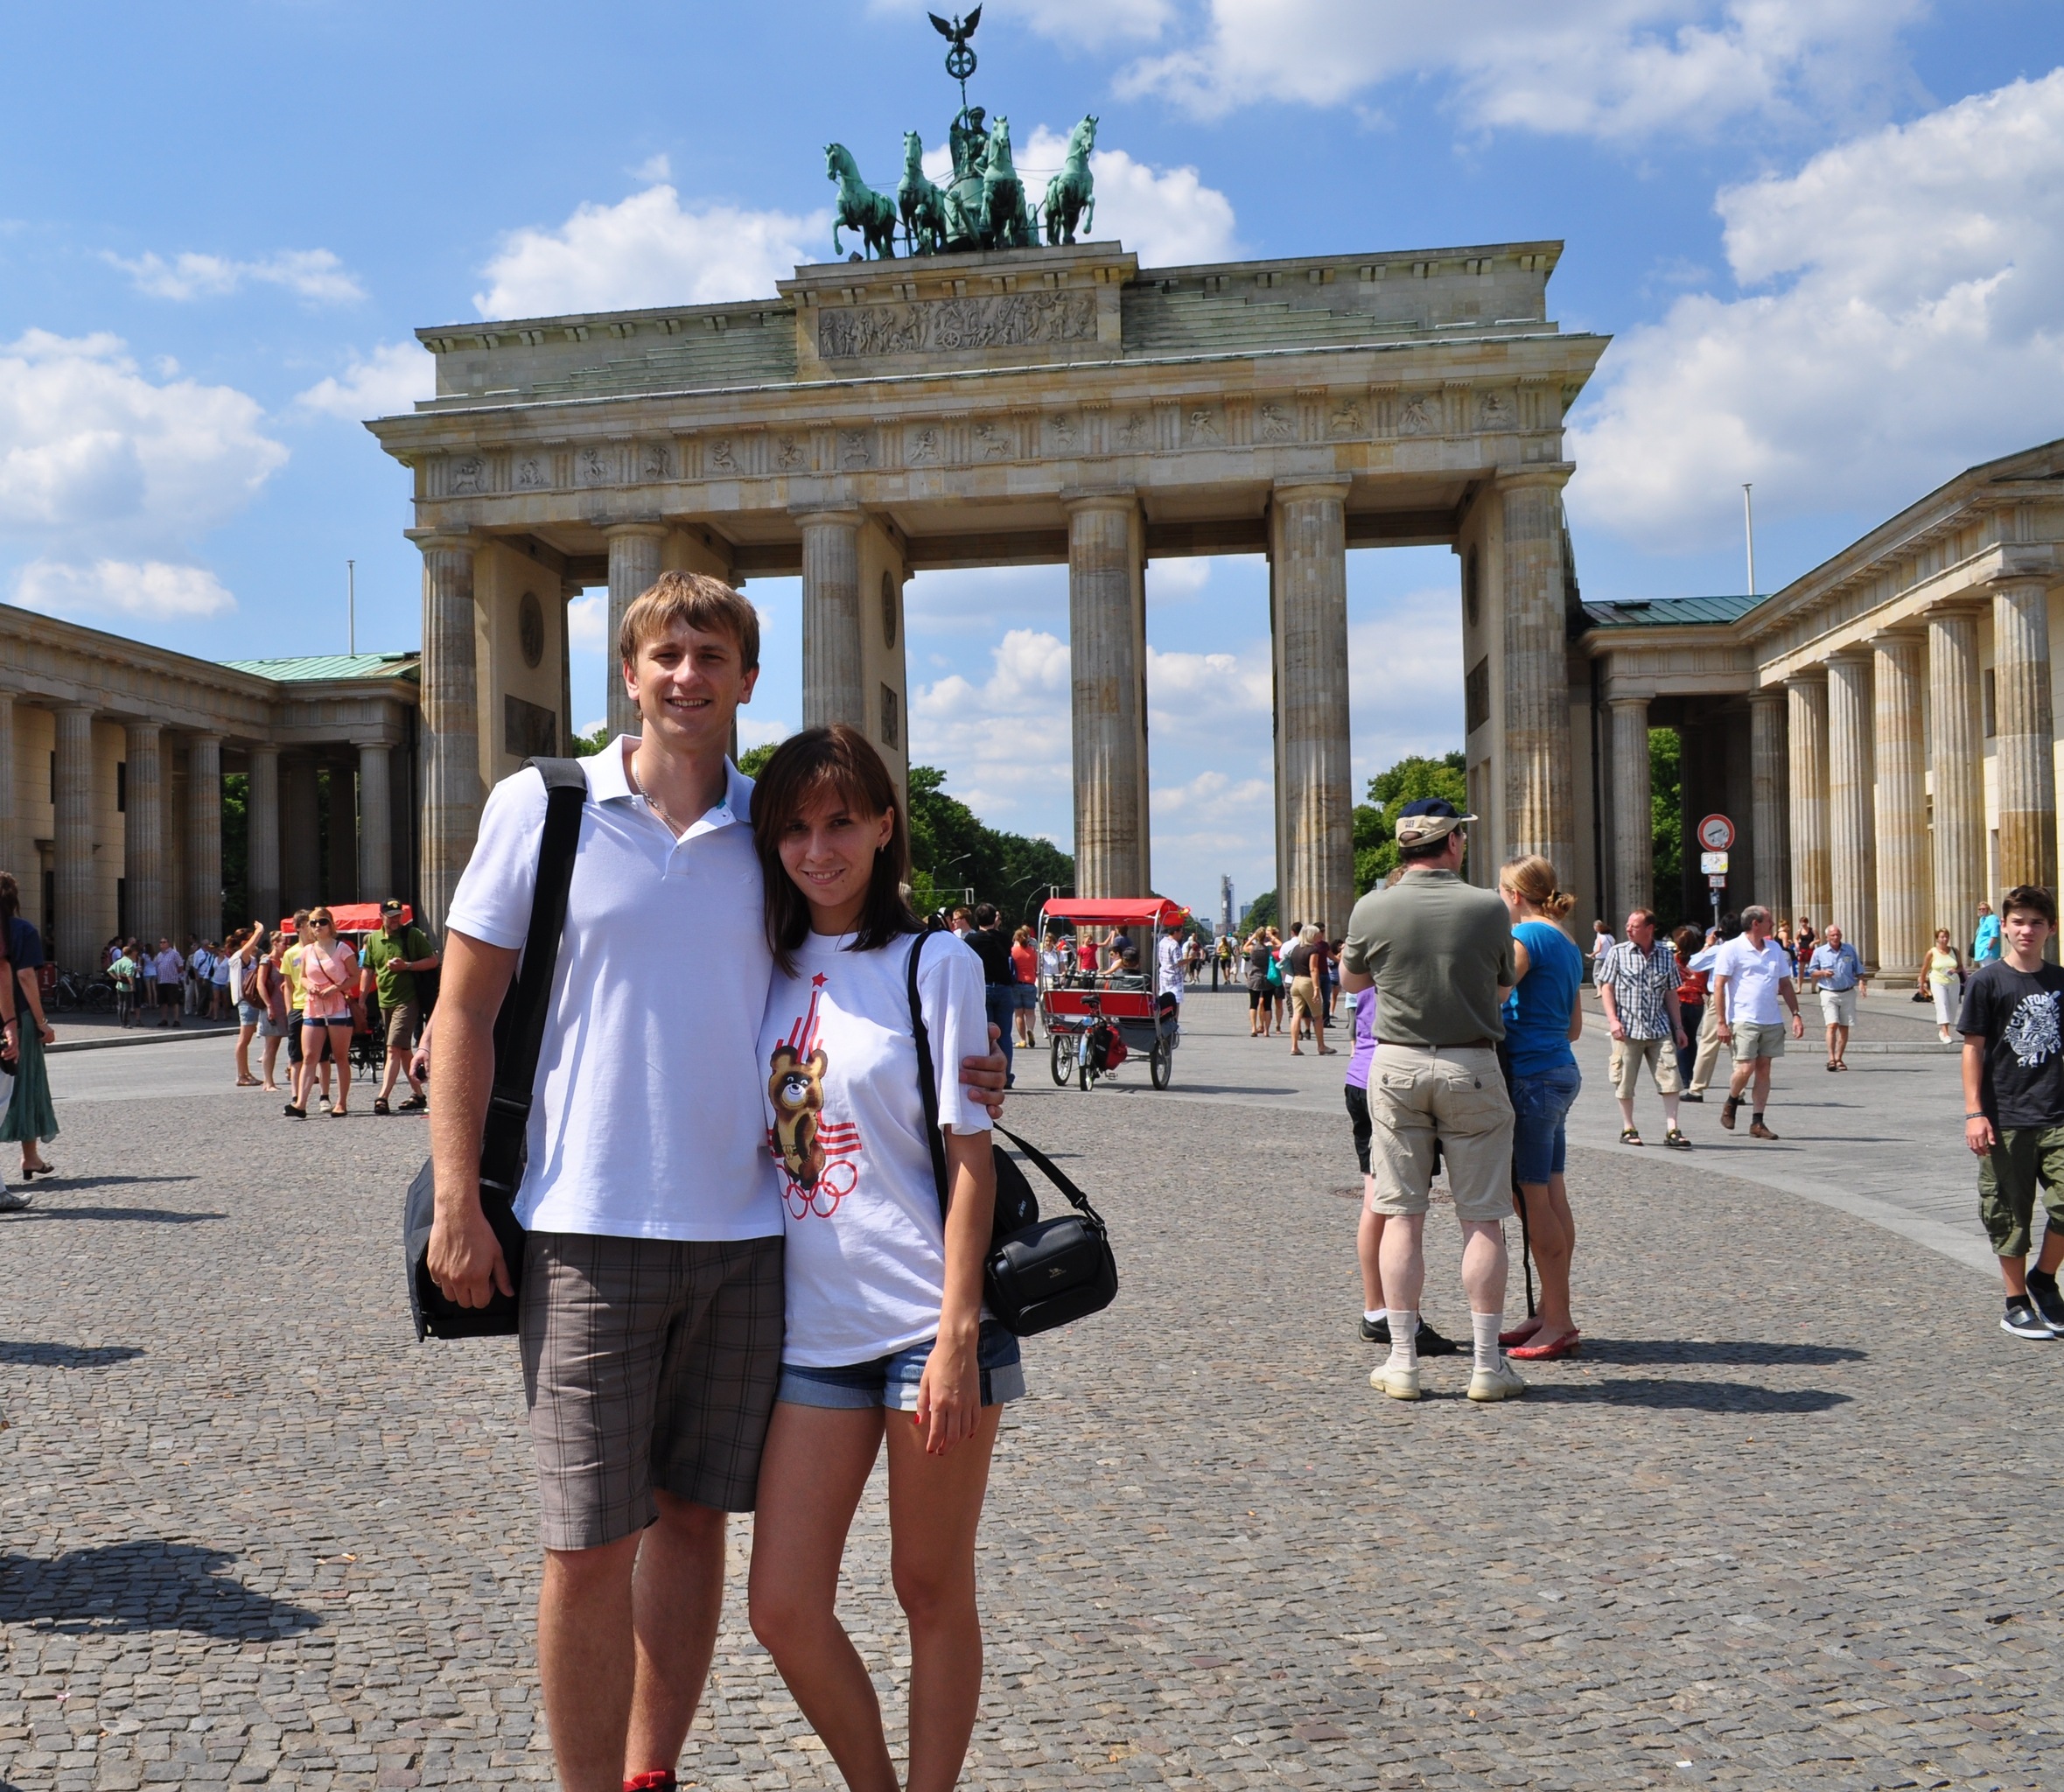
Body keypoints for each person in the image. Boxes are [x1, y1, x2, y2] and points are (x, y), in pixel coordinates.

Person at [424, 571, 1005, 1792]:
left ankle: (653, 1773)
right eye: (665, 655)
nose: (686, 676)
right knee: (586, 1543)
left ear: (747, 678)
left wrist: (962, 1058)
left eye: (710, 656)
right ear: (628, 673)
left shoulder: (771, 827)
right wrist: (455, 1195)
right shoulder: (545, 806)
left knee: (692, 1521)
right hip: (585, 1222)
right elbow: (463, 1008)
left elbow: (857, 992)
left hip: (750, 1248)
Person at [744, 724, 1013, 1792]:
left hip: (922, 1325)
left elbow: (970, 1160)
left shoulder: (933, 962)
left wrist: (956, 1336)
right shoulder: (756, 964)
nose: (818, 848)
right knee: (781, 1605)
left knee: (929, 1587)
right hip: (811, 1331)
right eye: (795, 827)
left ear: (884, 827)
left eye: (841, 822)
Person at [1340, 797, 1525, 1403]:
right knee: (1482, 1217)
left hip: (1394, 1064)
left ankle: (1402, 1362)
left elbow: (1352, 981)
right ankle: (1486, 1366)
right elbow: (1503, 984)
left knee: (1401, 1214)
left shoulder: (1372, 906)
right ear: (1452, 843)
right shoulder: (1487, 906)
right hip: (1470, 1063)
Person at [1347, 871, 1458, 1361]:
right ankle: (1394, 1315)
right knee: (1398, 1205)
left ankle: (1378, 1308)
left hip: (1361, 1074)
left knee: (1378, 1197)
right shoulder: (1412, 948)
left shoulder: (1374, 943)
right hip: (1393, 1076)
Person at [1956, 885, 2064, 1340]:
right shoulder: (1987, 981)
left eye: (2036, 922)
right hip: (2005, 1117)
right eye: (2018, 922)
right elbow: (1972, 1049)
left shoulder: (2060, 980)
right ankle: (2016, 1302)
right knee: (2008, 1213)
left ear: (2051, 929)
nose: (2027, 930)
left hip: (2057, 1112)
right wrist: (1974, 1113)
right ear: (2003, 926)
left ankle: (2044, 1278)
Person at [1497, 856, 1585, 1361]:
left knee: (1532, 1201)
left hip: (1530, 1075)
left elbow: (1494, 995)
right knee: (1552, 1194)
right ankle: (1550, 1309)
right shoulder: (1567, 941)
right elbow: (1574, 1027)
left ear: (1514, 894)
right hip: (1560, 1069)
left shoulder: (1526, 937)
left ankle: (1558, 1322)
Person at [1595, 908, 1691, 1149]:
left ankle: (1673, 1129)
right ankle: (1628, 1127)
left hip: (1659, 1028)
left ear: (1649, 929)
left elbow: (1671, 992)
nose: (1628, 929)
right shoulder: (1618, 953)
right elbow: (1607, 987)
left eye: (1634, 926)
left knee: (1670, 1079)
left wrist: (1678, 1027)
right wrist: (1613, 1020)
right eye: (1628, 925)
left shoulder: (1666, 956)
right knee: (1624, 1081)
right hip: (1627, 1029)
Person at [1711, 904, 1807, 1139]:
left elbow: (1785, 984)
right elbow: (1719, 985)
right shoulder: (1732, 948)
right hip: (1743, 1018)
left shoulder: (1774, 948)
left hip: (1771, 1019)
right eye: (1769, 920)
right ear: (1755, 924)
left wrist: (1796, 1014)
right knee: (1745, 1068)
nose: (1773, 924)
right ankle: (1732, 1100)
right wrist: (1721, 1022)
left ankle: (1757, 1121)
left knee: (1764, 1070)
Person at [360, 898, 439, 1115]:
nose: (396, 920)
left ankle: (382, 1097)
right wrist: (362, 1000)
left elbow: (432, 961)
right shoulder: (373, 939)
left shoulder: (413, 935)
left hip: (408, 999)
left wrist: (407, 966)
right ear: (381, 917)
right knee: (404, 1050)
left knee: (393, 1048)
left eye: (398, 916)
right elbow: (368, 970)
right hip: (385, 1000)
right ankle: (419, 1095)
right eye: (391, 916)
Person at [290, 908, 359, 1118]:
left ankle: (341, 1103)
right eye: (313, 923)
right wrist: (309, 985)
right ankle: (300, 1104)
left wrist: (336, 988)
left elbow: (355, 976)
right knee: (310, 1056)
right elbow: (302, 977)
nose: (317, 926)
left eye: (322, 922)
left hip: (338, 1007)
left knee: (340, 1057)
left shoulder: (342, 949)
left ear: (331, 924)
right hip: (314, 1007)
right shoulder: (307, 951)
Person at [1681, 912, 1742, 1102]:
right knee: (1738, 1046)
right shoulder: (1744, 948)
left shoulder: (1719, 950)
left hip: (1719, 998)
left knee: (1708, 1044)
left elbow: (1694, 964)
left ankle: (1697, 1088)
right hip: (1740, 999)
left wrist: (1708, 944)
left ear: (1721, 931)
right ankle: (1739, 1091)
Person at [966, 903, 1019, 1085]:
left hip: (983, 988)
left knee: (985, 1035)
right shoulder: (1004, 938)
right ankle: (1005, 1076)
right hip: (1004, 989)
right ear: (994, 919)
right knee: (1004, 1035)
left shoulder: (971, 940)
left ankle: (988, 1075)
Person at [1804, 921, 1866, 1071]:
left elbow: (1858, 969)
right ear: (1827, 937)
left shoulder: (1849, 950)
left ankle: (1839, 1058)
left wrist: (1861, 982)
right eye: (1832, 935)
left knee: (1844, 1027)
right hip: (1829, 992)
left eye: (1838, 934)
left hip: (1847, 992)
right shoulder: (1820, 952)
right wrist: (1822, 973)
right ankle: (1831, 1058)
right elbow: (1811, 971)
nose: (1836, 937)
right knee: (1832, 1025)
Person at [1286, 923, 1332, 1056]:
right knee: (1317, 1015)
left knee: (1296, 1014)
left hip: (1296, 981)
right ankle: (1321, 1046)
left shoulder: (1296, 949)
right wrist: (1316, 988)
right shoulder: (1313, 949)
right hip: (1307, 982)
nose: (1319, 936)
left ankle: (1294, 1046)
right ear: (1311, 935)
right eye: (1317, 934)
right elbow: (1313, 969)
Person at [1671, 926, 1706, 1089]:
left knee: (1680, 1039)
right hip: (1697, 1003)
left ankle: (1684, 1077)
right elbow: (1704, 983)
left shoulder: (1673, 960)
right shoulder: (1699, 960)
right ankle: (1692, 1074)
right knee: (1691, 1039)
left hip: (1680, 1002)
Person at [255, 930, 289, 1091]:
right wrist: (269, 1005)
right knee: (271, 1045)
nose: (287, 946)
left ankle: (287, 1073)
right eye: (284, 943)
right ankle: (268, 1082)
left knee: (284, 1043)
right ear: (275, 943)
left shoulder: (285, 960)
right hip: (272, 1007)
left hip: (285, 1007)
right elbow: (260, 984)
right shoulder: (266, 961)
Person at [232, 927, 265, 1086]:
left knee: (246, 1039)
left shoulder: (246, 957)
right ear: (244, 942)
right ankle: (241, 1075)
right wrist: (259, 931)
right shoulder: (241, 956)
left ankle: (245, 1073)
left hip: (247, 1001)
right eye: (251, 939)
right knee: (244, 1039)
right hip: (247, 1001)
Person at [1921, 928, 1964, 1044]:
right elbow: (1924, 969)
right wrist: (1922, 985)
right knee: (1942, 1004)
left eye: (1946, 937)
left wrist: (1956, 970)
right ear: (1937, 939)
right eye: (1942, 937)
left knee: (1952, 1006)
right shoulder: (1932, 952)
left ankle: (1944, 1029)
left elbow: (1961, 966)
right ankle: (1945, 1032)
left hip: (1953, 982)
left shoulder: (1954, 951)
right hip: (1937, 981)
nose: (1945, 939)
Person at [153, 935, 185, 1027]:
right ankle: (164, 1019)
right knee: (163, 1002)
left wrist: (174, 973)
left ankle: (176, 1020)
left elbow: (180, 966)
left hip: (171, 981)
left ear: (168, 943)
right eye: (161, 942)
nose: (162, 944)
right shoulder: (159, 955)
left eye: (164, 942)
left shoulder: (174, 953)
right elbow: (156, 966)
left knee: (174, 1001)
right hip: (161, 980)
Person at [1244, 929, 1271, 1037]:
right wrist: (1271, 936)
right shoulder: (1268, 948)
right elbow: (1279, 945)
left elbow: (1244, 947)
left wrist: (1252, 938)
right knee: (1268, 1005)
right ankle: (1267, 1031)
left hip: (1254, 977)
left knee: (1253, 1004)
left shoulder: (1252, 948)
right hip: (1267, 977)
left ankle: (1254, 1028)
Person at [111, 939, 138, 1029]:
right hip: (127, 986)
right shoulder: (129, 962)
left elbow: (110, 970)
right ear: (130, 953)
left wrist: (116, 977)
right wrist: (132, 985)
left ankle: (121, 1023)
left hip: (119, 985)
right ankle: (126, 1023)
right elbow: (129, 975)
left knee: (120, 1004)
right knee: (127, 1005)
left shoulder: (119, 961)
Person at [1972, 901, 2001, 965]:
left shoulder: (1992, 918)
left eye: (1984, 909)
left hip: (1988, 952)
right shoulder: (1983, 920)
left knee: (1989, 969)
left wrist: (1989, 947)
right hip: (1981, 952)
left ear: (1988, 909)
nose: (1981, 910)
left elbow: (1994, 934)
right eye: (1980, 909)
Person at [1588, 918, 1615, 984]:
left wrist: (1592, 955)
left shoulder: (1600, 937)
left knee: (1596, 974)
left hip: (1600, 958)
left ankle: (1599, 989)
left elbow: (1598, 949)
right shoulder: (1611, 937)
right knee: (1606, 974)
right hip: (1608, 958)